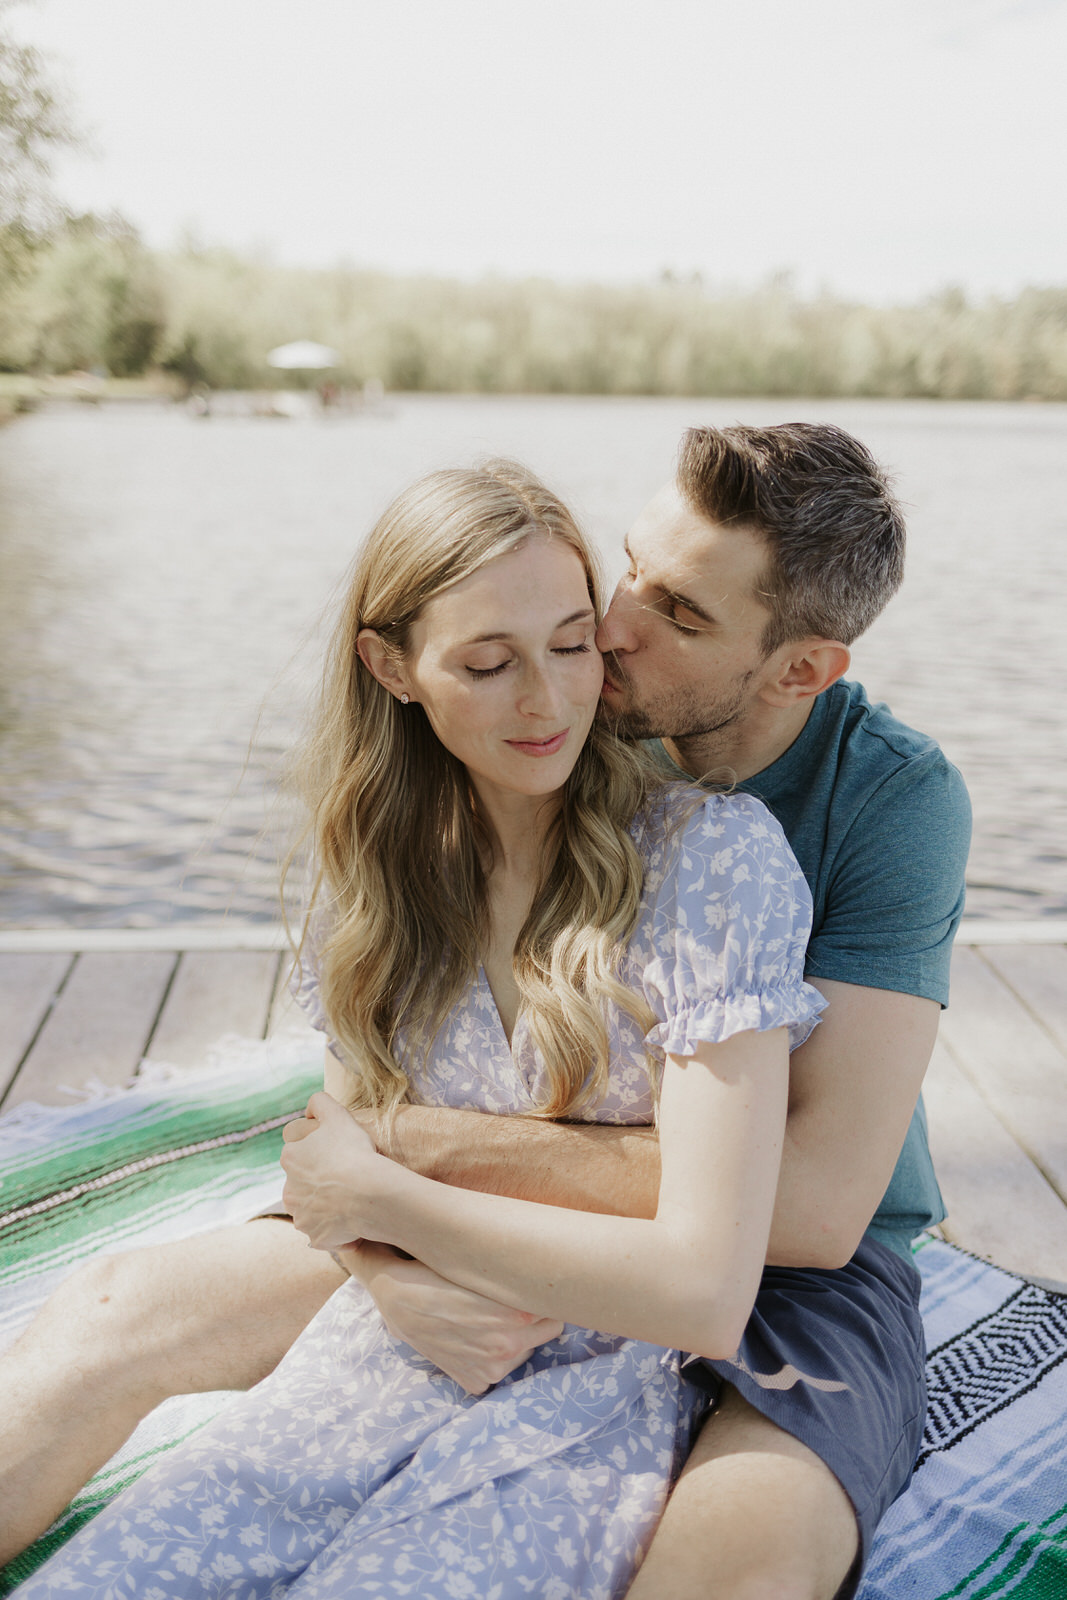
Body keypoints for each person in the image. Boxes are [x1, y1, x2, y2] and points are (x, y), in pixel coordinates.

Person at [0, 423, 970, 1599]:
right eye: (626, 570)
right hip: (504, 1216)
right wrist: (384, 1248)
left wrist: (406, 1156)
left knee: (732, 1563)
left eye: (677, 614)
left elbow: (807, 1209)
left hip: (800, 1270)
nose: (606, 634)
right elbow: (368, 1084)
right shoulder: (548, 725)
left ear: (798, 670)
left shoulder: (877, 805)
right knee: (116, 1307)